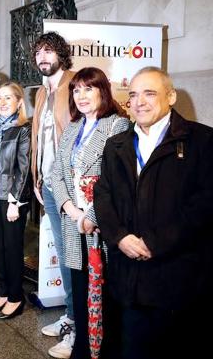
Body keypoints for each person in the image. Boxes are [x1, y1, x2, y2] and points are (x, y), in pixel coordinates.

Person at [94, 67, 213, 359]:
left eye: (150, 93)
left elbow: (205, 204)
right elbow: (103, 195)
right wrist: (120, 237)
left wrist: (154, 242)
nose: (139, 102)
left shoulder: (202, 142)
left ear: (170, 96)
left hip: (177, 279)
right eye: (133, 94)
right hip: (126, 276)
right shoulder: (116, 145)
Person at [52, 67, 129, 358]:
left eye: (88, 88)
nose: (81, 96)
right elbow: (55, 174)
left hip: (101, 227)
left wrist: (91, 216)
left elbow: (116, 181)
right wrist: (73, 211)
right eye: (76, 89)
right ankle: (82, 350)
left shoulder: (118, 126)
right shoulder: (72, 127)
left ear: (103, 91)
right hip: (74, 225)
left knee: (105, 297)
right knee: (82, 292)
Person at [30, 32, 76, 358]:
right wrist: (37, 176)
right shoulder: (41, 93)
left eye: (48, 52)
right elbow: (39, 137)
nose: (43, 58)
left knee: (73, 258)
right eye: (38, 54)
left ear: (60, 53)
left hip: (68, 188)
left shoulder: (74, 85)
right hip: (47, 184)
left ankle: (76, 327)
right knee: (64, 255)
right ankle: (69, 316)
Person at [0, 82, 31, 320]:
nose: (2, 103)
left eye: (8, 98)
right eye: (0, 98)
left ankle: (15, 296)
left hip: (11, 198)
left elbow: (23, 169)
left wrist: (15, 201)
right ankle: (3, 289)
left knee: (12, 249)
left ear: (19, 102)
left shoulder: (23, 129)